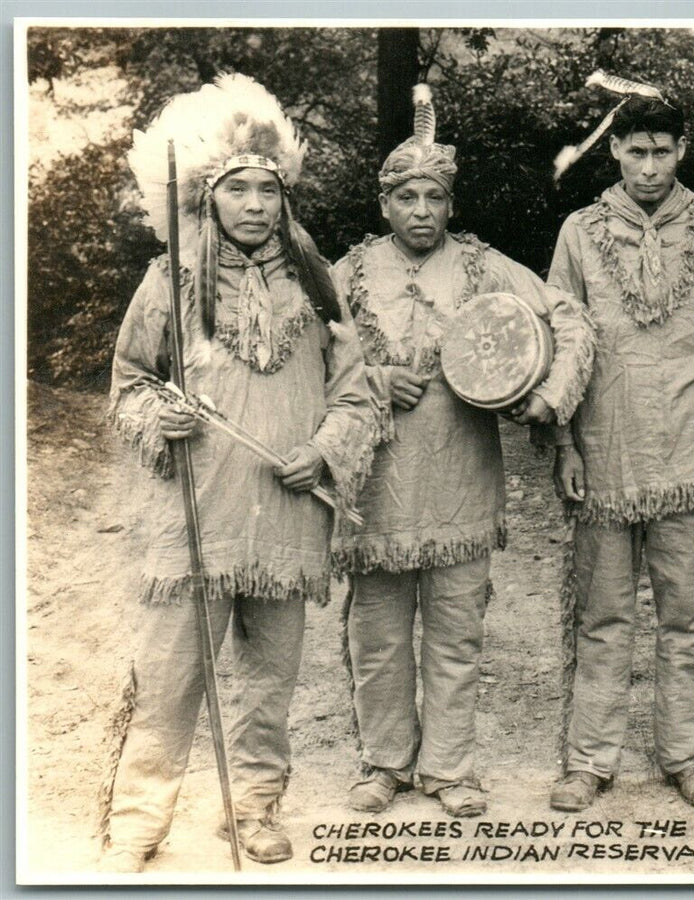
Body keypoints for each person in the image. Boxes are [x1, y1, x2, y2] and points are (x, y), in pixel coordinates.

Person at [99, 74, 376, 871]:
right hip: (196, 513)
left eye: (269, 190)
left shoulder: (315, 284)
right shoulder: (170, 281)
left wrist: (323, 450)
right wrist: (163, 415)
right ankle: (139, 820)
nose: (255, 205)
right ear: (206, 197)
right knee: (172, 676)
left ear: (285, 198)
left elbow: (355, 394)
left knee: (269, 682)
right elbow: (129, 385)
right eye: (238, 190)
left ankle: (254, 808)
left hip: (285, 513)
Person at [330, 86, 595, 819]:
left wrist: (548, 399)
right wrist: (372, 377)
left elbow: (568, 319)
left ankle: (449, 770)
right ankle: (382, 762)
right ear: (383, 204)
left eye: (434, 198)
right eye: (406, 197)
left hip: (460, 480)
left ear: (451, 204)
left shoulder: (483, 267)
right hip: (376, 485)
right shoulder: (345, 274)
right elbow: (308, 362)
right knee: (378, 636)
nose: (421, 210)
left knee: (455, 630)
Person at [547, 95, 694, 812]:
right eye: (634, 151)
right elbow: (558, 344)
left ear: (681, 149)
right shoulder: (579, 232)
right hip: (605, 451)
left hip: (691, 448)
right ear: (612, 150)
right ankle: (587, 761)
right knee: (602, 617)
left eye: (660, 151)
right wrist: (567, 443)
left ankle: (690, 754)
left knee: (687, 615)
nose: (647, 166)